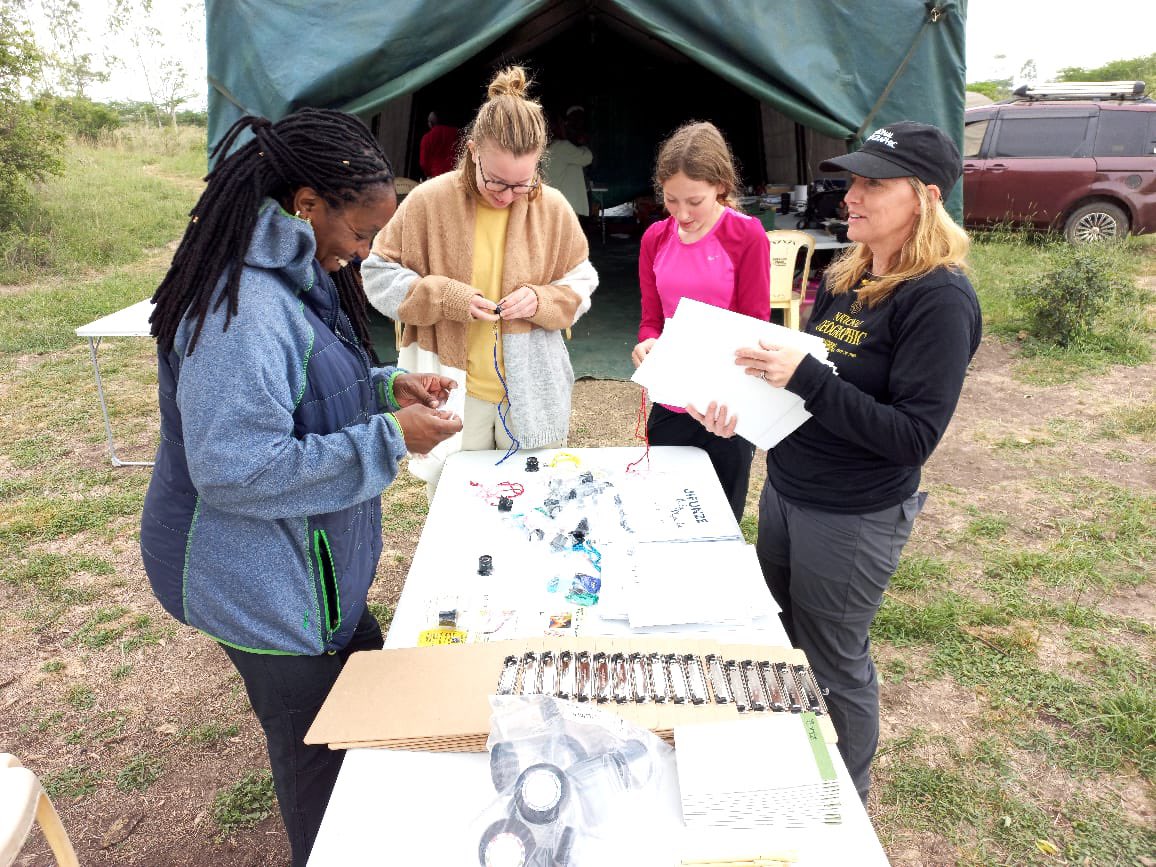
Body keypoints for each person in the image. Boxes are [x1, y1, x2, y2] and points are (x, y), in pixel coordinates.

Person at [139, 108, 463, 867]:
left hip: (307, 563)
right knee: (317, 752)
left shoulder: (295, 272)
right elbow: (236, 468)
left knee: (371, 686)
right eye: (359, 234)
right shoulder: (241, 312)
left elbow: (313, 382)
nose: (363, 253)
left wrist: (386, 387)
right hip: (256, 582)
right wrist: (389, 439)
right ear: (306, 203)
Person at [690, 121, 982, 802]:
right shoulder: (848, 273)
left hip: (853, 515)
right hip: (790, 492)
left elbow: (913, 436)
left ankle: (845, 794)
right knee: (780, 635)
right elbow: (811, 392)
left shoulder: (938, 298)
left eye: (873, 183)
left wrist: (806, 380)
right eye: (853, 180)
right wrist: (738, 405)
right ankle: (789, 752)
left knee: (835, 657)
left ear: (926, 197)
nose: (850, 195)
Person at [362, 67, 598, 492]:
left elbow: (581, 281)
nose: (507, 196)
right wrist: (443, 295)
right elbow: (377, 273)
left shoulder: (554, 207)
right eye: (496, 181)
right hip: (451, 392)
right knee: (457, 511)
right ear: (472, 151)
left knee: (531, 508)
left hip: (529, 394)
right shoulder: (428, 201)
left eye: (522, 184)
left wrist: (542, 301)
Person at [631, 120, 770, 521]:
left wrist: (727, 393)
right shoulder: (655, 238)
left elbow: (754, 325)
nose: (682, 214)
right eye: (672, 201)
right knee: (665, 509)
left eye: (695, 201)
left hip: (725, 405)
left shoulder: (747, 236)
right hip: (673, 398)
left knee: (722, 515)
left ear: (720, 187)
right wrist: (647, 343)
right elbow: (651, 319)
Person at [544, 106, 593, 217]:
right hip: (567, 206)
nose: (565, 126)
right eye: (563, 123)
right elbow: (588, 158)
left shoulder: (549, 147)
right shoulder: (562, 147)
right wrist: (583, 145)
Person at [419, 111, 459, 179]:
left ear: (430, 123)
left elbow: (423, 163)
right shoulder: (457, 133)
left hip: (436, 176)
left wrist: (429, 174)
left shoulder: (426, 138)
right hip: (454, 174)